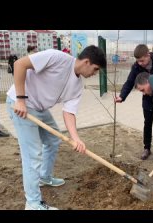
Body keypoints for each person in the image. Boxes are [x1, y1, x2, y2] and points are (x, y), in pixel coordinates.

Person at [6, 45, 106, 210]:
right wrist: (21, 99)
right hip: (21, 105)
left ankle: (44, 176)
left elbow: (69, 113)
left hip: (39, 108)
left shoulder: (77, 86)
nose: (94, 74)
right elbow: (19, 65)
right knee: (33, 155)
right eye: (95, 69)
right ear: (87, 62)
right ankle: (32, 203)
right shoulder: (56, 57)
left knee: (53, 140)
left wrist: (76, 139)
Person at [114, 44, 153, 160]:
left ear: (148, 55)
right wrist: (122, 96)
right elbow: (130, 81)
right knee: (148, 123)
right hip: (147, 98)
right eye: (138, 61)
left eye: (142, 60)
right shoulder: (136, 66)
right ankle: (147, 148)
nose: (140, 63)